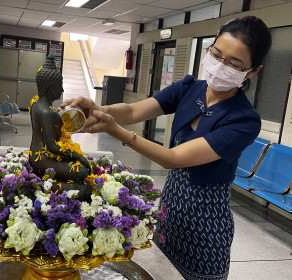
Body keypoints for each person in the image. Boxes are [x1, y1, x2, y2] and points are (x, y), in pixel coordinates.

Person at [59, 16, 272, 280]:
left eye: (233, 63)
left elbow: (173, 158)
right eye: (216, 54)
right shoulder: (189, 89)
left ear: (252, 71)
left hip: (206, 226)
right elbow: (135, 109)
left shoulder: (244, 119)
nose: (220, 66)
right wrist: (97, 108)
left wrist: (115, 130)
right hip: (170, 210)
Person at [29, 55, 91, 201]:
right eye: (59, 86)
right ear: (50, 88)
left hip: (35, 155)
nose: (62, 89)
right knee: (82, 171)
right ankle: (46, 185)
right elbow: (51, 147)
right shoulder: (48, 112)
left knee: (81, 173)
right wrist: (78, 156)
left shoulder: (35, 104)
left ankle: (47, 183)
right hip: (43, 159)